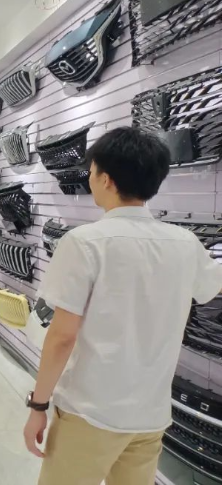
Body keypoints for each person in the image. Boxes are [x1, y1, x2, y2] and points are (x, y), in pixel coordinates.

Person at [23, 127, 222, 485]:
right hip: (150, 414)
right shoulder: (185, 242)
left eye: (92, 171)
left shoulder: (84, 242)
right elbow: (209, 288)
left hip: (90, 411)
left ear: (106, 179)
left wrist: (38, 404)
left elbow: (62, 337)